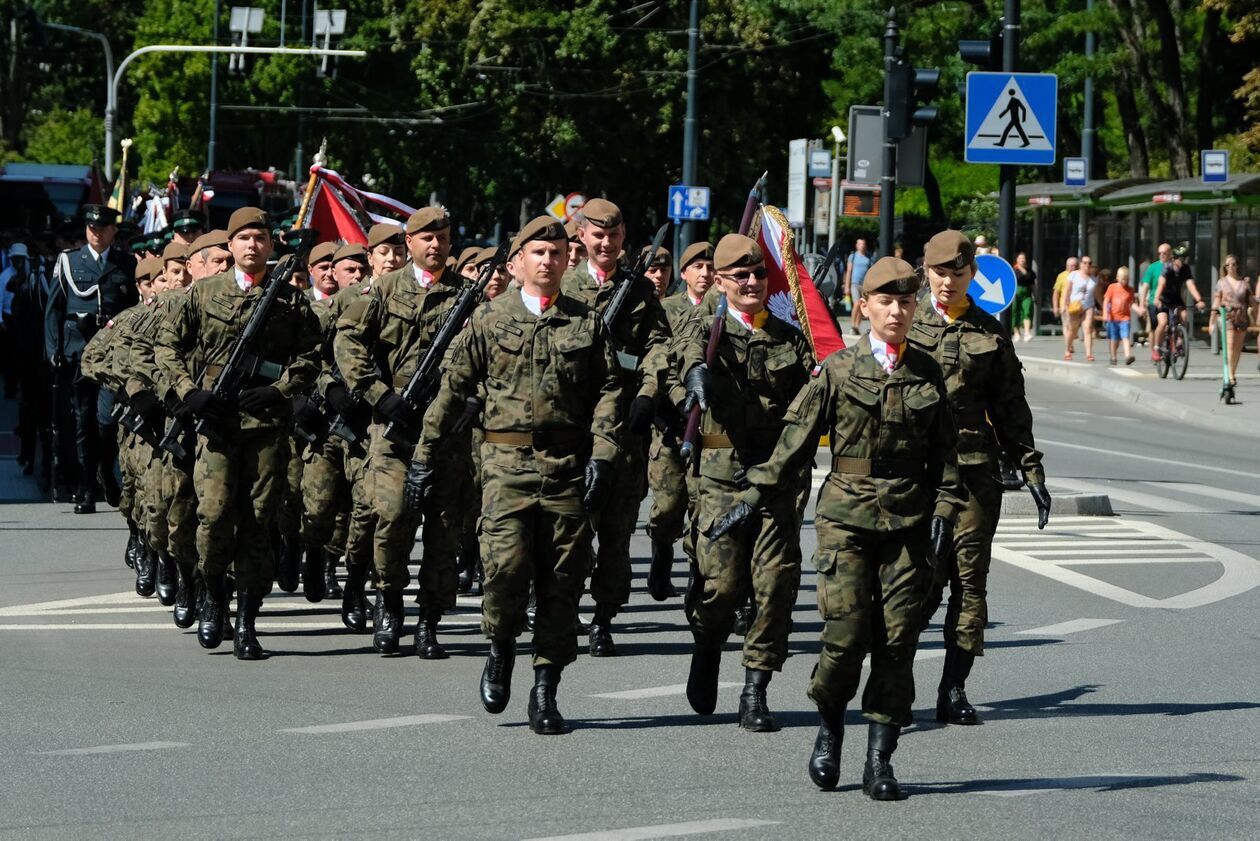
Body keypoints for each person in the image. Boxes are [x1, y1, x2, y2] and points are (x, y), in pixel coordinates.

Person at [711, 256, 963, 799]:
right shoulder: (839, 372)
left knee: (897, 643)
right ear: (863, 307)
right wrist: (752, 495)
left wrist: (944, 512)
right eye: (886, 301)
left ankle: (880, 761)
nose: (897, 311)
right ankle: (829, 730)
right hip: (846, 520)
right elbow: (793, 443)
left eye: (905, 301)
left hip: (910, 522)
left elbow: (947, 456)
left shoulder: (928, 372)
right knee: (845, 639)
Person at [411, 215, 622, 735]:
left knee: (563, 581)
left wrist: (603, 453)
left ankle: (546, 688)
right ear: (518, 262)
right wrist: (423, 456)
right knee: (504, 571)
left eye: (555, 253)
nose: (547, 261)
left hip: (568, 467)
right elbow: (452, 391)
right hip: (505, 469)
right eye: (537, 253)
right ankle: (501, 646)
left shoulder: (587, 322)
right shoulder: (488, 319)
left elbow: (611, 390)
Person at [155, 207, 322, 660]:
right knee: (212, 515)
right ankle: (213, 594)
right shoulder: (204, 293)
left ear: (270, 245)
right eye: (244, 237)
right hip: (217, 422)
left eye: (260, 238)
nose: (252, 245)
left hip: (266, 426)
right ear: (230, 246)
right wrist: (190, 393)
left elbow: (310, 355)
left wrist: (279, 389)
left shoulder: (289, 300)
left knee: (257, 520)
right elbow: (167, 345)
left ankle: (248, 619)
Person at [908, 230, 1050, 727]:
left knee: (969, 585)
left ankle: (953, 687)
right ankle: (896, 680)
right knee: (916, 585)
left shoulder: (989, 332)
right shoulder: (902, 324)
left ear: (972, 275)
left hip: (973, 475)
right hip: (915, 478)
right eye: (939, 272)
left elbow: (1011, 407)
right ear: (925, 271)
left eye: (958, 273)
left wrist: (1031, 468)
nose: (947, 282)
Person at [675, 233, 815, 732]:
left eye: (758, 274)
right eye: (741, 275)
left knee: (775, 587)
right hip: (718, 478)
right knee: (723, 588)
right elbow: (683, 361)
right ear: (720, 281)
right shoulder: (702, 328)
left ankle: (756, 690)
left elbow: (809, 406)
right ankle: (708, 643)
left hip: (776, 477)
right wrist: (695, 375)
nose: (753, 282)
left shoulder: (788, 337)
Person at [334, 206, 464, 656]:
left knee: (445, 530)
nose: (436, 245)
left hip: (446, 430)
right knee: (391, 517)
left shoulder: (466, 296)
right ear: (408, 243)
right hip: (392, 428)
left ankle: (429, 619)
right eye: (426, 238)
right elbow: (347, 341)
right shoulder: (382, 290)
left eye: (443, 238)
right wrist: (376, 393)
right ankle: (390, 602)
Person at [561, 198, 670, 657]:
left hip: (624, 430)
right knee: (568, 531)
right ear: (582, 237)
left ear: (624, 237)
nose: (607, 243)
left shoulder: (640, 293)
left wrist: (648, 391)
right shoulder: (562, 287)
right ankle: (563, 611)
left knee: (617, 534)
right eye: (598, 235)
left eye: (615, 235)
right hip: (571, 431)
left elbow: (659, 346)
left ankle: (604, 617)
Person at [43, 204, 138, 513]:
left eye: (102, 228)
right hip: (78, 353)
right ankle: (86, 487)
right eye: (91, 228)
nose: (96, 232)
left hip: (113, 356)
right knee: (83, 421)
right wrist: (53, 348)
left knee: (107, 422)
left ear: (113, 231)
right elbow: (54, 310)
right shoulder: (70, 262)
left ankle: (105, 472)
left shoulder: (126, 263)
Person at [646, 240, 713, 600]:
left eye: (710, 267)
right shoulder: (665, 310)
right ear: (684, 274)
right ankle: (661, 550)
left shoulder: (723, 310)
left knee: (702, 510)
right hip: (671, 425)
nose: (705, 273)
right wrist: (678, 397)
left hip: (709, 430)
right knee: (668, 508)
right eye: (697, 267)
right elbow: (661, 361)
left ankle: (696, 577)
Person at [1151, 246, 1206, 361]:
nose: (1181, 262)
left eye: (1184, 259)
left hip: (1176, 299)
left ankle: (1179, 338)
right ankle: (1156, 348)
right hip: (1163, 299)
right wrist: (1156, 299)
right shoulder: (1167, 268)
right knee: (1163, 322)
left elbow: (1190, 285)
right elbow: (1161, 284)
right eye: (1179, 259)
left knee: (1184, 316)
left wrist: (1199, 300)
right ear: (1173, 258)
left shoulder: (1185, 269)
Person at [1212, 254, 1254, 389]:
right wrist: (1212, 319)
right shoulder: (1221, 282)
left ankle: (1232, 372)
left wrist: (1257, 314)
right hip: (1227, 316)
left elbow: (1252, 301)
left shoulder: (1244, 283)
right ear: (1225, 267)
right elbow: (1217, 300)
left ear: (1237, 265)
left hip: (1241, 317)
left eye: (1233, 264)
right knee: (1229, 345)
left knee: (1237, 348)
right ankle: (1229, 375)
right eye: (1228, 265)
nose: (1231, 267)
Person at [1060, 255, 1096, 360]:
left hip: (1088, 305)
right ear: (1080, 264)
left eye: (1089, 263)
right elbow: (1067, 290)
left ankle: (1089, 354)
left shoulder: (1093, 279)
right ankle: (1067, 350)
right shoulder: (1074, 275)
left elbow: (1097, 294)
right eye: (1085, 263)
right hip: (1074, 306)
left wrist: (1103, 305)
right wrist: (1064, 305)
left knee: (1088, 329)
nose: (1087, 265)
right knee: (1073, 330)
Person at [1102, 266, 1140, 366]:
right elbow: (1106, 300)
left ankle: (1128, 356)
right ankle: (1113, 356)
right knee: (1115, 339)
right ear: (1118, 278)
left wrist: (1139, 310)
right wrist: (1105, 313)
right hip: (1113, 318)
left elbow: (1131, 303)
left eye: (1127, 279)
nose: (1125, 281)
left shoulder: (1130, 290)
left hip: (1125, 318)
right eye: (1123, 279)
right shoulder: (1112, 287)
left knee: (1125, 337)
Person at [1139, 242, 1172, 340]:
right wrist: (1142, 304)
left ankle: (1175, 343)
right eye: (1160, 253)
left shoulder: (1175, 266)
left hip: (1171, 301)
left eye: (1164, 253)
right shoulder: (1152, 267)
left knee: (1171, 323)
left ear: (1170, 253)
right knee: (1155, 327)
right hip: (1154, 301)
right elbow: (1145, 286)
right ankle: (1155, 349)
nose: (1162, 255)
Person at [844, 238, 872, 335]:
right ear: (857, 245)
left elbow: (870, 272)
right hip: (854, 283)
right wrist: (847, 286)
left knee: (862, 305)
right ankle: (852, 325)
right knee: (856, 303)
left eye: (863, 244)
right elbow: (849, 272)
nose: (862, 246)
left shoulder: (868, 257)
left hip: (864, 285)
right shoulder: (853, 256)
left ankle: (856, 326)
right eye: (860, 244)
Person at [1012, 251, 1036, 342]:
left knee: (1028, 310)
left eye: (1023, 258)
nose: (1022, 260)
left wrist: (1036, 295)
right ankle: (1017, 333)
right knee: (1015, 312)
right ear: (1017, 259)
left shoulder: (1029, 271)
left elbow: (1032, 284)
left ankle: (1027, 332)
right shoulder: (1013, 270)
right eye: (1020, 258)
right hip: (1016, 292)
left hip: (1027, 293)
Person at [1051, 256, 1076, 326]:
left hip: (1077, 306)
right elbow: (1056, 292)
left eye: (1075, 266)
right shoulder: (1061, 276)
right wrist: (1055, 307)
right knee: (1067, 326)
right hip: (1065, 306)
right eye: (1071, 266)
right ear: (1067, 266)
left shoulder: (1080, 275)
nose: (1073, 268)